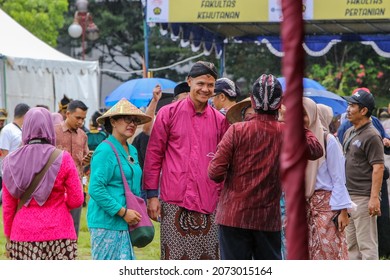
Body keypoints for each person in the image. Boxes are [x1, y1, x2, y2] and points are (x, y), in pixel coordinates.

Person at [207, 74, 323, 260]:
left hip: (233, 216)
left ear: (252, 101)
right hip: (267, 219)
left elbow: (214, 173)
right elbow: (315, 150)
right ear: (279, 104)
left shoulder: (236, 131)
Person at [143, 61, 229, 260]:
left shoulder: (220, 121)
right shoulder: (168, 113)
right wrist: (152, 196)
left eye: (210, 85)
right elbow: (154, 156)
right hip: (175, 198)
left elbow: (225, 163)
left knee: (208, 260)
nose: (205, 89)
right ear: (189, 81)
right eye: (200, 83)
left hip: (209, 201)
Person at [2, 107, 83, 260]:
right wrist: (59, 202)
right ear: (49, 128)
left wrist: (8, 238)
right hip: (60, 234)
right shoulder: (63, 158)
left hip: (23, 235)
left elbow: (8, 206)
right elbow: (77, 199)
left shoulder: (10, 161)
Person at [87, 98, 152, 260]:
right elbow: (95, 188)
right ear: (113, 121)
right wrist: (122, 212)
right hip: (107, 223)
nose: (132, 124)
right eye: (126, 119)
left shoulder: (132, 150)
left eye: (135, 120)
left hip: (127, 222)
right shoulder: (105, 150)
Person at [304, 99, 352, 260]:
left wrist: (343, 211)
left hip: (327, 208)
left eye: (304, 114)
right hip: (305, 208)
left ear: (312, 115)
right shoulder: (296, 140)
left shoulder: (328, 140)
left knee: (330, 252)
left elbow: (339, 179)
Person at [343, 89, 384, 260]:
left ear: (364, 110)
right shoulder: (349, 132)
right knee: (351, 245)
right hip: (348, 197)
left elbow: (379, 167)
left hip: (363, 197)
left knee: (366, 245)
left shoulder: (372, 135)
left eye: (352, 105)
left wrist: (374, 198)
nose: (348, 109)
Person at [54, 100, 90, 237]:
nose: (81, 122)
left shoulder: (83, 136)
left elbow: (84, 159)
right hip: (57, 187)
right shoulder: (54, 132)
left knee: (74, 226)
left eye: (83, 119)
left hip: (76, 186)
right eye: (78, 118)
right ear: (67, 114)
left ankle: (71, 253)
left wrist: (87, 160)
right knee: (56, 223)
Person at [0, 103, 30, 204]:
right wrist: (6, 175)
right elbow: (4, 155)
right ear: (25, 115)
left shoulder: (23, 130)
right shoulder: (7, 130)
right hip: (11, 174)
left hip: (22, 173)